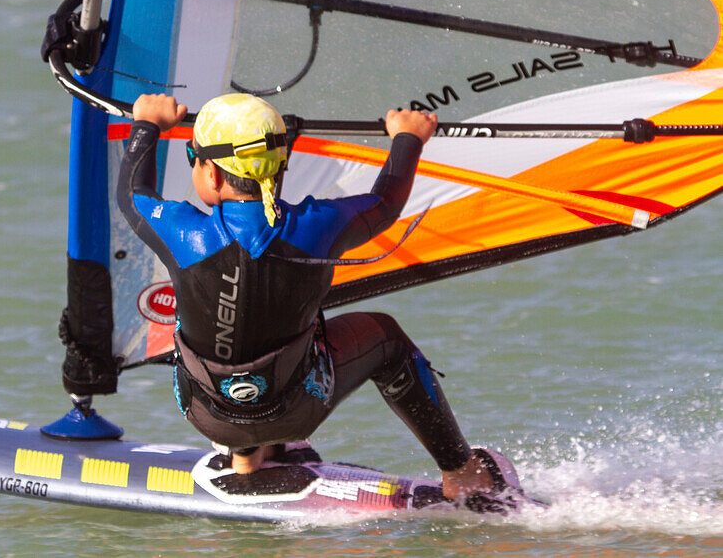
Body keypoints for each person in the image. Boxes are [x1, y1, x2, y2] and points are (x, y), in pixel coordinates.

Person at [117, 91, 513, 502]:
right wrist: (407, 138)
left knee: (210, 318)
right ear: (280, 171)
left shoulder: (182, 231)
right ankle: (462, 473)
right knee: (385, 335)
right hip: (301, 407)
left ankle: (246, 458)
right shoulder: (317, 226)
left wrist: (147, 124)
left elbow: (131, 196)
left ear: (212, 175)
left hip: (207, 415)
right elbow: (386, 202)